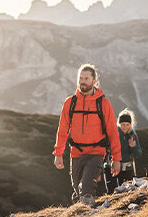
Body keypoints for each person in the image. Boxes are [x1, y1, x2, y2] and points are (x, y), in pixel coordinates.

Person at [52, 63, 122, 204]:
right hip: (76, 153)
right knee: (78, 192)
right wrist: (58, 153)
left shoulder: (103, 103)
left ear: (94, 81)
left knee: (86, 188)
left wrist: (116, 158)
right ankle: (82, 215)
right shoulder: (70, 103)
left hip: (96, 153)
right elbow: (63, 130)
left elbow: (113, 132)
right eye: (80, 78)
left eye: (86, 78)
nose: (82, 81)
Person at [113, 109, 142, 186]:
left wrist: (133, 146)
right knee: (114, 190)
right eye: (123, 124)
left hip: (128, 168)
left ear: (130, 125)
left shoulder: (133, 135)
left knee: (127, 189)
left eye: (127, 125)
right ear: (119, 124)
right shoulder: (114, 134)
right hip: (114, 167)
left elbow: (138, 153)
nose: (125, 127)